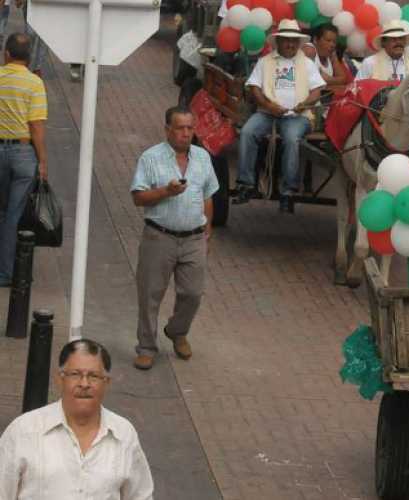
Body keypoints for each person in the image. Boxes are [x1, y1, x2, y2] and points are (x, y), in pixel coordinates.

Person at [0, 339, 154, 499]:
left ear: (106, 382)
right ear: (60, 379)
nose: (84, 383)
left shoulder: (124, 434)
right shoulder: (24, 430)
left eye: (93, 376)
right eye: (75, 374)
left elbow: (141, 495)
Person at [130, 106, 219, 370]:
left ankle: (177, 331)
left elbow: (208, 195)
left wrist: (208, 228)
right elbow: (137, 197)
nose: (186, 133)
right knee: (150, 294)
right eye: (180, 128)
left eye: (190, 128)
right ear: (167, 129)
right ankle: (146, 347)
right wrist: (166, 192)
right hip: (159, 237)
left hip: (194, 239)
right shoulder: (150, 158)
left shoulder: (203, 157)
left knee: (193, 293)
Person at [233, 19, 325, 212]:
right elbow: (254, 88)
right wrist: (268, 105)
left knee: (292, 139)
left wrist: (305, 104)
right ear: (278, 41)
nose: (291, 44)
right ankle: (246, 184)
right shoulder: (265, 61)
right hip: (267, 113)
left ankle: (288, 191)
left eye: (294, 41)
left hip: (298, 116)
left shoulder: (307, 63)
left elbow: (317, 90)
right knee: (247, 132)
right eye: (286, 40)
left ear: (299, 43)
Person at [0, 33, 47, 287]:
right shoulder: (34, 84)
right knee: (13, 214)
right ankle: (7, 272)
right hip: (23, 153)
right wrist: (42, 162)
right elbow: (36, 126)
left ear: (7, 54)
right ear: (28, 58)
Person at [302, 23, 347, 87]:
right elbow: (313, 80)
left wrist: (329, 79)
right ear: (315, 40)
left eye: (334, 42)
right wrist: (335, 80)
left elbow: (343, 79)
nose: (332, 45)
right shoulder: (309, 50)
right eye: (328, 40)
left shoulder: (332, 54)